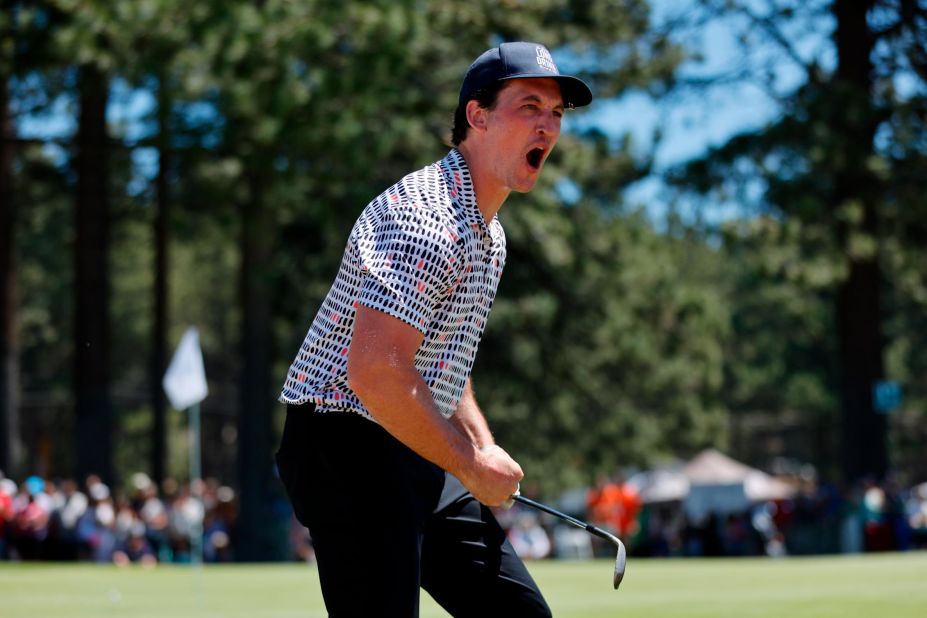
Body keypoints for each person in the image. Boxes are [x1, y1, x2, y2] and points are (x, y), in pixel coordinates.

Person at [276, 41, 591, 617]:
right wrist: (470, 466)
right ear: (478, 115)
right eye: (529, 106)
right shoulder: (428, 219)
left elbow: (442, 363)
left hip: (408, 433)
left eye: (556, 114)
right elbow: (374, 371)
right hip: (344, 441)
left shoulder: (489, 235)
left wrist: (481, 444)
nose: (548, 126)